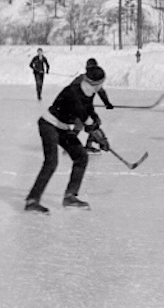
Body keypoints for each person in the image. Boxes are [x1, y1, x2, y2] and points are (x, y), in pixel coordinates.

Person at [25, 64, 110, 213]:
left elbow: (89, 110)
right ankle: (32, 200)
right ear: (96, 83)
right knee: (51, 162)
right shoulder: (73, 92)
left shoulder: (88, 92)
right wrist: (98, 134)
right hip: (49, 124)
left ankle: (70, 197)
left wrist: (97, 123)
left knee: (81, 157)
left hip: (62, 128)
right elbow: (83, 115)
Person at [70, 58, 115, 152]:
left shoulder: (93, 80)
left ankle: (88, 145)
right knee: (80, 124)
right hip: (76, 106)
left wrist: (107, 103)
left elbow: (101, 92)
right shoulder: (81, 79)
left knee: (95, 122)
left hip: (86, 107)